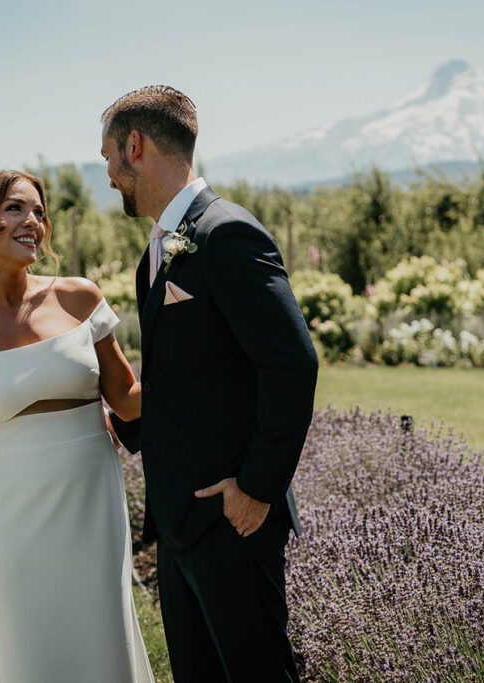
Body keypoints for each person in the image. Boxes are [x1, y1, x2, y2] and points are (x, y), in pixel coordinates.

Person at [101, 86, 319, 682]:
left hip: (231, 518)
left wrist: (256, 486)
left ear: (135, 147)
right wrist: (114, 422)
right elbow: (185, 375)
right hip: (179, 524)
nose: (110, 177)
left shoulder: (227, 234)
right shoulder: (156, 252)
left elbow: (293, 364)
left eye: (108, 159)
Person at [0, 170, 154, 682]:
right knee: (27, 639)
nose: (34, 222)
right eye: (15, 209)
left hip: (92, 497)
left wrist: (200, 364)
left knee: (100, 631)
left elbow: (127, 398)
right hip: (10, 512)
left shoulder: (80, 298)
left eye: (39, 211)